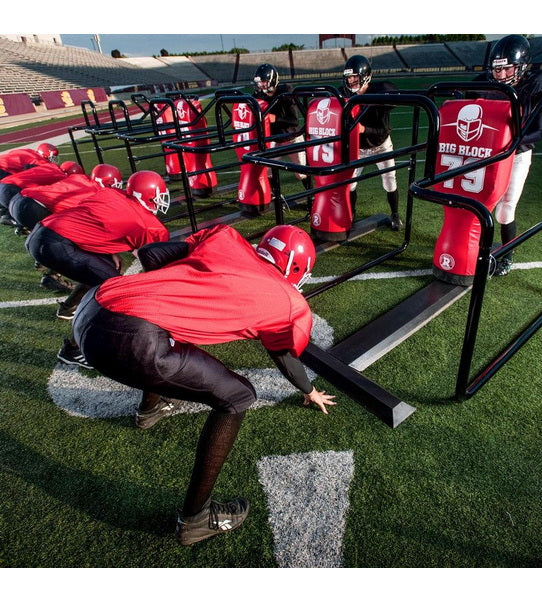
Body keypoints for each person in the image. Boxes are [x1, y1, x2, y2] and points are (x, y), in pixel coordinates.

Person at [72, 223, 336, 545]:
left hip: (93, 305)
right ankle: (196, 519)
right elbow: (283, 352)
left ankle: (150, 410)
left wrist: (175, 290)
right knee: (238, 396)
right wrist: (308, 390)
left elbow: (152, 253)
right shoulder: (290, 302)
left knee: (169, 329)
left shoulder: (226, 240)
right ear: (298, 268)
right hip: (130, 337)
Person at [25, 170, 171, 362]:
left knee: (102, 271)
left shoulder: (112, 194)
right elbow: (155, 267)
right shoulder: (147, 224)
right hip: (56, 244)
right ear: (149, 196)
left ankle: (69, 308)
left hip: (42, 232)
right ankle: (75, 350)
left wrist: (110, 250)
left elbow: (92, 218)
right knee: (112, 291)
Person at [482, 35, 542, 276]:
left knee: (505, 209)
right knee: (482, 204)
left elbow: (538, 132)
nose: (499, 75)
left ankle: (507, 257)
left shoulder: (535, 86)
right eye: (496, 69)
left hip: (517, 155)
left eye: (506, 68)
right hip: (492, 155)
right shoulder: (489, 86)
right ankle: (479, 248)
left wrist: (511, 141)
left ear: (521, 67)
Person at [10, 164, 124, 310]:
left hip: (20, 199)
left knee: (57, 235)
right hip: (35, 208)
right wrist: (110, 251)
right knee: (67, 240)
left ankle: (45, 266)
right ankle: (56, 281)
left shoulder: (80, 178)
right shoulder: (97, 193)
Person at [341, 55, 401, 231]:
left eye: (354, 77)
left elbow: (383, 131)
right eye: (349, 77)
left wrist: (363, 129)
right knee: (350, 183)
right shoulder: (346, 94)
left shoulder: (379, 93)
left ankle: (395, 214)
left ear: (365, 76)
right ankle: (351, 215)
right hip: (358, 147)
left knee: (389, 181)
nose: (351, 81)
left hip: (380, 145)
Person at [252, 64, 311, 193]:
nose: (261, 85)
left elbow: (294, 120)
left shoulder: (286, 92)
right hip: (275, 138)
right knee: (267, 169)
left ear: (272, 80)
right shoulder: (260, 95)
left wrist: (275, 118)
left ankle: (311, 198)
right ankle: (276, 196)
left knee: (301, 173)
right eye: (259, 82)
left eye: (264, 82)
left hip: (291, 138)